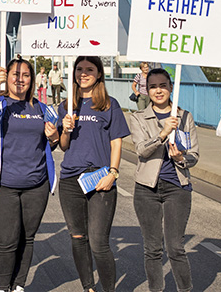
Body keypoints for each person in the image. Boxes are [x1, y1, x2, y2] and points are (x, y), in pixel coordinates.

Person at [0, 58, 59, 292]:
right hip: (1, 186)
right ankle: (2, 286)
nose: (19, 79)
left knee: (27, 238)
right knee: (6, 241)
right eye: (15, 74)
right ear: (6, 76)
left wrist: (53, 137)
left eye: (25, 75)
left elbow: (48, 145)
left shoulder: (41, 108)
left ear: (31, 80)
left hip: (36, 185)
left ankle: (19, 285)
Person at [57, 56, 129, 292]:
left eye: (89, 69)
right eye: (79, 69)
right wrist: (65, 130)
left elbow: (116, 143)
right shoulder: (67, 106)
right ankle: (88, 287)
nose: (83, 73)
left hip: (100, 177)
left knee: (98, 242)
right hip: (70, 180)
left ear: (99, 74)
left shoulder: (110, 104)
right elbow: (64, 146)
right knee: (78, 238)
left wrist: (113, 172)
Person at [130, 68, 198, 292]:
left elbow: (194, 155)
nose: (158, 90)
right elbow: (141, 150)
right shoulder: (138, 117)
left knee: (175, 248)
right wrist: (162, 133)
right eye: (152, 86)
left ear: (170, 87)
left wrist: (181, 158)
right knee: (152, 249)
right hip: (147, 189)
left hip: (177, 188)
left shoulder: (185, 117)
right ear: (146, 90)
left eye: (162, 85)